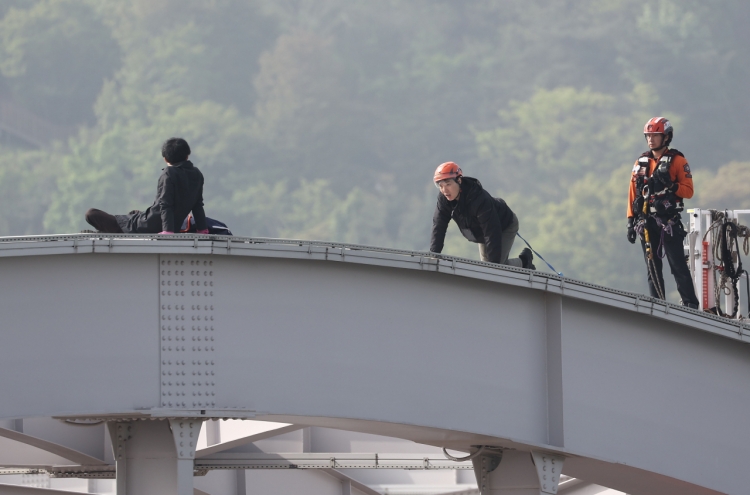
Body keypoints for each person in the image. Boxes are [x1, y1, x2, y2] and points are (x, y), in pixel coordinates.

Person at [626, 117, 699, 308]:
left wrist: (671, 185)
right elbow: (633, 194)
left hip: (668, 222)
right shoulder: (640, 162)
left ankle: (690, 304)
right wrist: (630, 222)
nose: (651, 139)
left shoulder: (677, 160)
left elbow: (688, 191)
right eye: (648, 136)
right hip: (645, 223)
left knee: (678, 266)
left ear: (666, 137)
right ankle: (657, 306)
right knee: (652, 268)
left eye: (655, 135)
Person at [84, 138, 209, 235]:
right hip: (160, 222)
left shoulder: (169, 173)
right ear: (187, 156)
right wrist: (202, 229)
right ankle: (116, 228)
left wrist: (168, 232)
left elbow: (166, 205)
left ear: (165, 159)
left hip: (149, 226)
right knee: (133, 213)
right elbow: (198, 205)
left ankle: (110, 232)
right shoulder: (197, 174)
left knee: (91, 214)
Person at [430, 162, 534, 269]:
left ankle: (525, 261)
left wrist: (494, 266)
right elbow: (439, 226)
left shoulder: (478, 199)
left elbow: (492, 231)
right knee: (486, 267)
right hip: (482, 231)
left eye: (448, 184)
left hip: (505, 224)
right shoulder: (443, 199)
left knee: (497, 267)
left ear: (459, 180)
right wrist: (434, 255)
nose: (444, 190)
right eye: (441, 186)